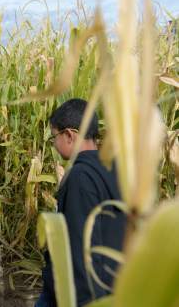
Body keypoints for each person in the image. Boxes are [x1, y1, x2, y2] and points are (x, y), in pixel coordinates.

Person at [36, 99, 126, 307]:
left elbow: (81, 246)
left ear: (69, 135)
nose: (54, 144)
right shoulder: (115, 168)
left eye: (54, 136)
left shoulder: (80, 177)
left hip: (78, 293)